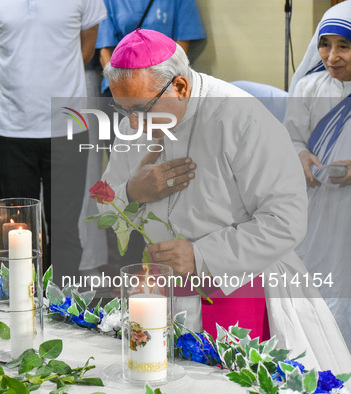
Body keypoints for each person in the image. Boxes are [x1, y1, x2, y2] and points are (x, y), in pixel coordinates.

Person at [99, 28, 351, 372]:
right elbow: (105, 202)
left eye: (141, 109)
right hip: (162, 290)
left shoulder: (242, 119)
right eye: (121, 108)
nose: (133, 124)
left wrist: (200, 255)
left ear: (181, 86)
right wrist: (132, 192)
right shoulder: (137, 115)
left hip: (241, 286)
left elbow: (286, 220)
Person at [0, 0, 107, 282]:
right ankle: (22, 303)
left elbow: (86, 49)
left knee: (65, 228)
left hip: (67, 127)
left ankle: (62, 307)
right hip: (11, 129)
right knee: (16, 229)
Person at [283, 1, 351, 352]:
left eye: (344, 46)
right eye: (326, 44)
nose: (332, 56)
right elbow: (291, 135)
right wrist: (301, 156)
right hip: (316, 203)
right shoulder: (309, 89)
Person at [96, 0, 205, 96]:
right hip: (123, 85)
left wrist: (162, 83)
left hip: (163, 85)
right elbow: (105, 52)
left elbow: (181, 49)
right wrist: (122, 85)